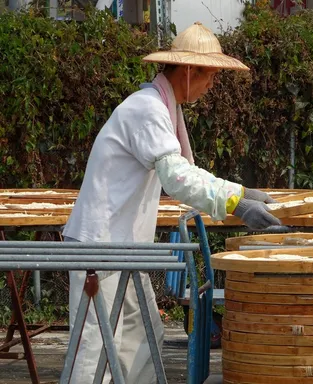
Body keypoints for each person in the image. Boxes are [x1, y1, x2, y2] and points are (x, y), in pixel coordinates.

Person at [61, 22, 281, 383]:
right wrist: (238, 204)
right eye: (211, 76)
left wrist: (242, 193)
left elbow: (186, 171)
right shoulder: (146, 109)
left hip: (121, 251)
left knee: (142, 338)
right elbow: (178, 178)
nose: (213, 85)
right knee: (93, 349)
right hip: (98, 251)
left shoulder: (161, 107)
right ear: (190, 71)